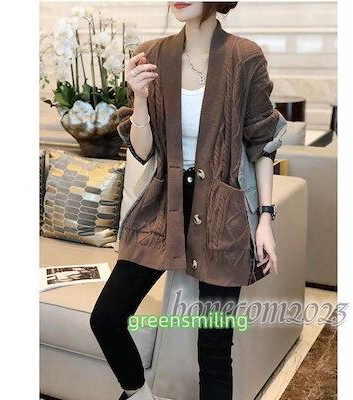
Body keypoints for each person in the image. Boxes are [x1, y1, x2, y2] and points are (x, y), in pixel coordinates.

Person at [90, 2, 282, 399]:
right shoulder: (151, 55)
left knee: (215, 347)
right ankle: (139, 395)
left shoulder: (245, 57)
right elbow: (143, 151)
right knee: (106, 317)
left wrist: (265, 218)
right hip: (163, 206)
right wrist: (139, 98)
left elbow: (261, 144)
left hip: (223, 214)